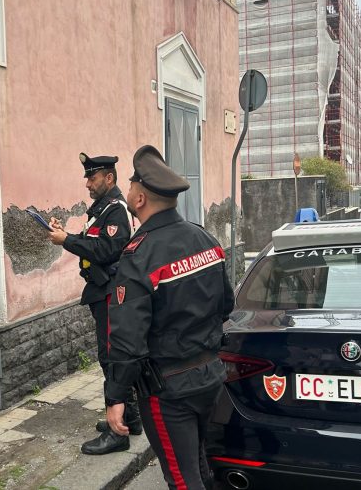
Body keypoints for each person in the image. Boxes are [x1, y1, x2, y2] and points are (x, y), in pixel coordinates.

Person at [104, 145, 234, 490]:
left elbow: (127, 339)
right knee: (201, 466)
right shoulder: (204, 238)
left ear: (141, 199)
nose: (127, 191)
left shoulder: (139, 256)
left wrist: (116, 397)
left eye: (131, 185)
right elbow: (227, 304)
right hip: (210, 376)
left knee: (181, 479)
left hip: (169, 390)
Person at [47, 152, 139, 455]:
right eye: (87, 177)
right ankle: (131, 418)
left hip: (112, 293)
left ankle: (118, 434)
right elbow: (93, 241)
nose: (87, 182)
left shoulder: (115, 210)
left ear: (108, 178)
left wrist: (67, 241)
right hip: (101, 291)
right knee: (113, 356)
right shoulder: (102, 209)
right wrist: (66, 234)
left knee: (111, 358)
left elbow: (105, 250)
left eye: (92, 176)